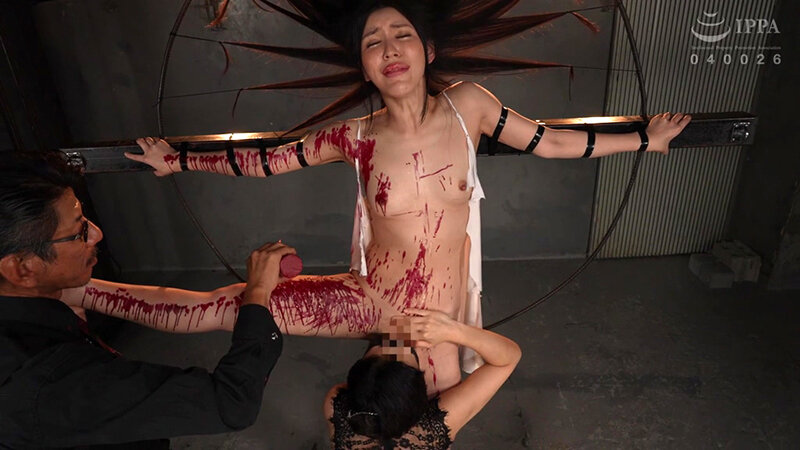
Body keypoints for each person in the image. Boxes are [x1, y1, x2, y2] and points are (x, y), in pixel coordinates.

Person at [124, 0, 690, 394]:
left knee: (418, 428)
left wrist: (646, 139)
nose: (390, 49)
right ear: (365, 66)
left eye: (402, 35)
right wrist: (178, 160)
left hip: (431, 324)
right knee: (223, 307)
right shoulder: (354, 137)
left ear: (429, 50)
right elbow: (267, 161)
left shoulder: (469, 106)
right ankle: (83, 290)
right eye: (373, 42)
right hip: (367, 298)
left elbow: (554, 141)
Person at [0, 151, 290, 448]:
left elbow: (200, 306)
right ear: (21, 268)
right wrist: (257, 293)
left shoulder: (34, 293)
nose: (97, 234)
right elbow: (230, 403)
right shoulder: (49, 386)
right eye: (79, 231)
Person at [326, 308, 521, 448]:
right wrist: (453, 330)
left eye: (379, 346)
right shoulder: (436, 427)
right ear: (420, 391)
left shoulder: (336, 404)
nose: (393, 341)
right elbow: (508, 359)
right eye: (408, 352)